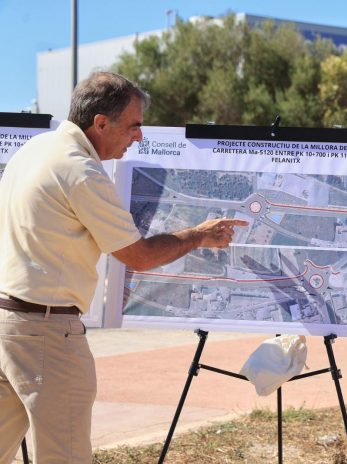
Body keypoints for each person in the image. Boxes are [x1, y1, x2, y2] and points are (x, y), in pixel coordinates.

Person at [0, 71, 248, 463]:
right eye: (134, 126)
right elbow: (139, 255)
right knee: (64, 455)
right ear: (100, 122)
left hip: (7, 324)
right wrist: (199, 235)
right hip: (45, 332)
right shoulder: (80, 171)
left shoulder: (34, 150)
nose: (140, 137)